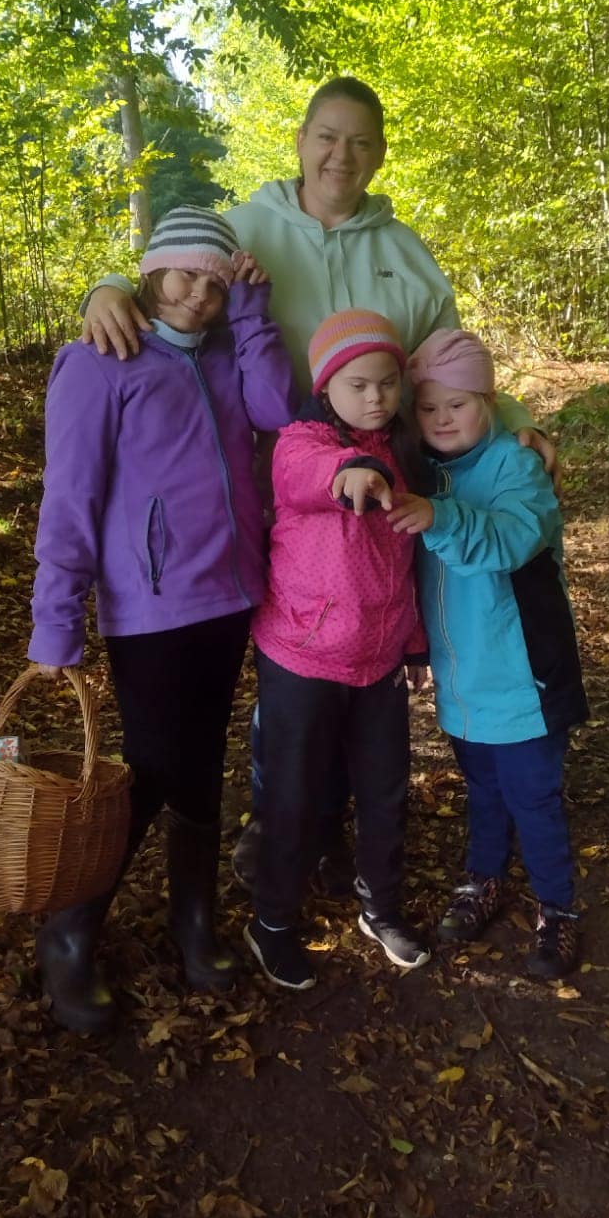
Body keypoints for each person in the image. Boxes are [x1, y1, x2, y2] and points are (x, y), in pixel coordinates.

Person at [79, 77, 557, 891]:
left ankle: (339, 830)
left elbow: (448, 361)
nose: (343, 154)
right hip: (276, 491)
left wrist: (513, 417)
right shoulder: (248, 228)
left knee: (363, 648)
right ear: (301, 141)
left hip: (384, 493)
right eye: (328, 136)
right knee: (293, 663)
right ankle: (280, 826)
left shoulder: (405, 253)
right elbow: (171, 274)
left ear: (380, 154)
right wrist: (103, 289)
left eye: (361, 141)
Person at [27, 207, 296, 1033]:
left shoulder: (224, 349)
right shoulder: (97, 361)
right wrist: (56, 620)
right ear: (149, 272)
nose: (198, 296)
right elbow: (70, 497)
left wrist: (252, 310)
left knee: (202, 762)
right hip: (148, 602)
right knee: (148, 767)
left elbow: (277, 410)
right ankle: (70, 929)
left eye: (216, 285)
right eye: (184, 276)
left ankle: (193, 922)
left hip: (229, 593)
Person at [388, 329, 589, 979]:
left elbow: (511, 540)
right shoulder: (426, 472)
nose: (443, 419)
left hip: (524, 675)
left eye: (459, 404)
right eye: (429, 407)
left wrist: (439, 516)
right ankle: (484, 879)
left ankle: (558, 909)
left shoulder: (516, 465)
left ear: (490, 402)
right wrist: (416, 647)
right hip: (463, 677)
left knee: (534, 797)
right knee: (483, 788)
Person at [243, 310, 431, 991]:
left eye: (387, 383)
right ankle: (272, 922)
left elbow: (404, 565)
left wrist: (414, 645)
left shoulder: (405, 452)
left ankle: (380, 908)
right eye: (359, 385)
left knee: (384, 793)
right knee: (292, 794)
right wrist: (351, 470)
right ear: (326, 387)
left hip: (379, 661)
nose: (376, 397)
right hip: (302, 654)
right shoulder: (299, 443)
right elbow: (308, 475)